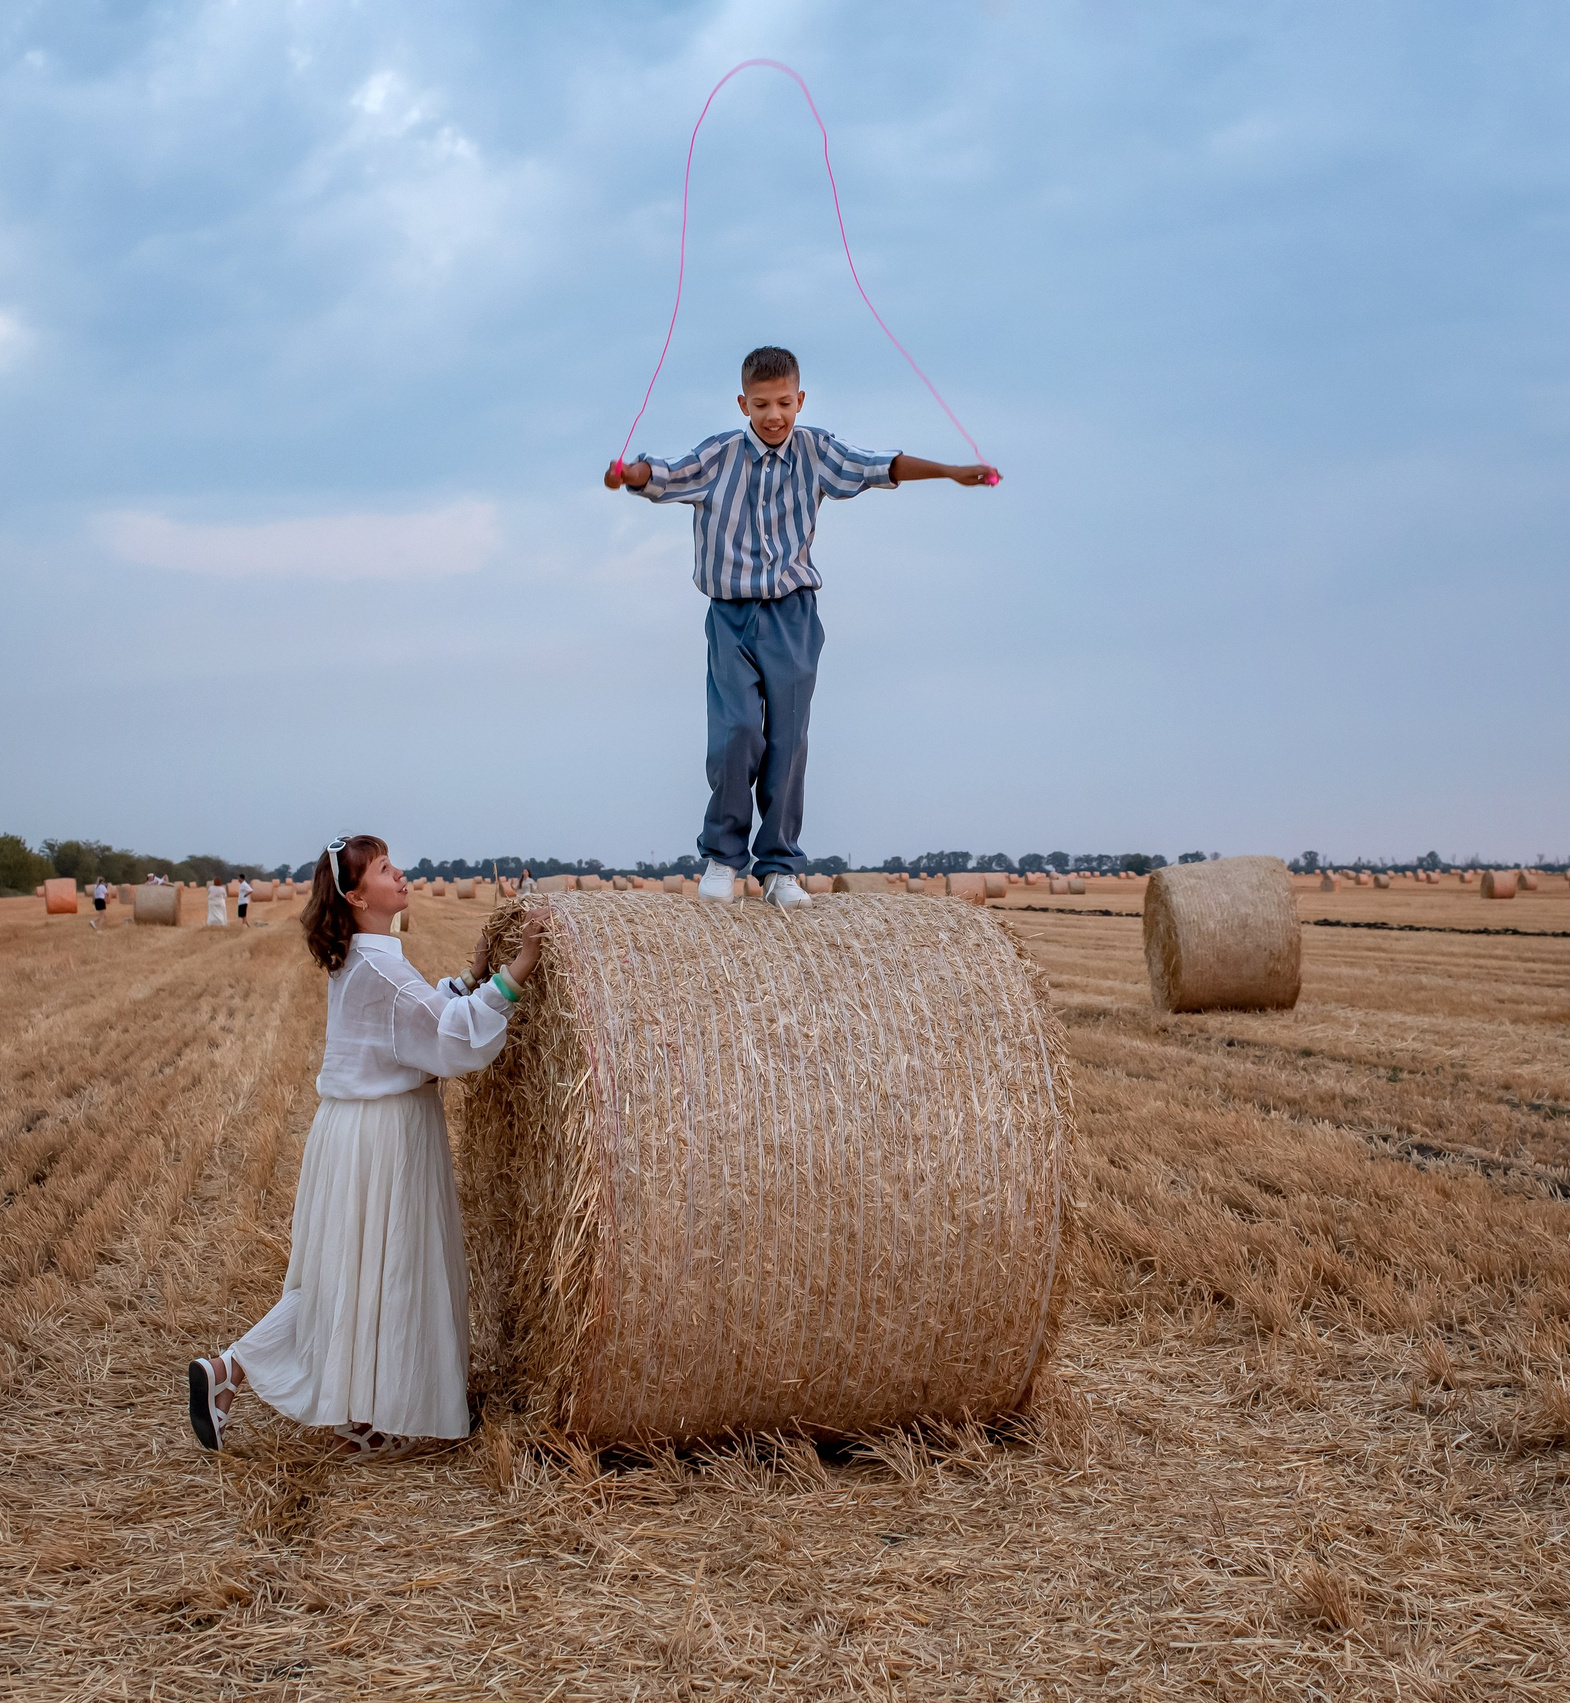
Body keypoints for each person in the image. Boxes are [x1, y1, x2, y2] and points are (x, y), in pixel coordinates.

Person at [187, 834, 544, 1460]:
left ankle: (251, 1377)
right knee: (390, 1270)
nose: (400, 873)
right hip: (386, 1136)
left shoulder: (363, 960)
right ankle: (250, 1373)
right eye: (384, 868)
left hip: (354, 1129)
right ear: (356, 896)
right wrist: (518, 971)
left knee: (346, 1274)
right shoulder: (382, 969)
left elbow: (413, 1021)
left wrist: (471, 974)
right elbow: (450, 1038)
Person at [607, 345, 996, 908]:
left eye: (785, 403)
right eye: (762, 404)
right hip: (731, 616)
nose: (774, 415)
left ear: (801, 400)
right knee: (738, 733)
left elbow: (879, 465)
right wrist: (630, 474)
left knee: (788, 742)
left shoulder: (817, 451)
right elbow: (663, 475)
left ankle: (779, 868)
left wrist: (952, 472)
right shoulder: (718, 456)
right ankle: (723, 857)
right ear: (743, 404)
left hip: (793, 615)